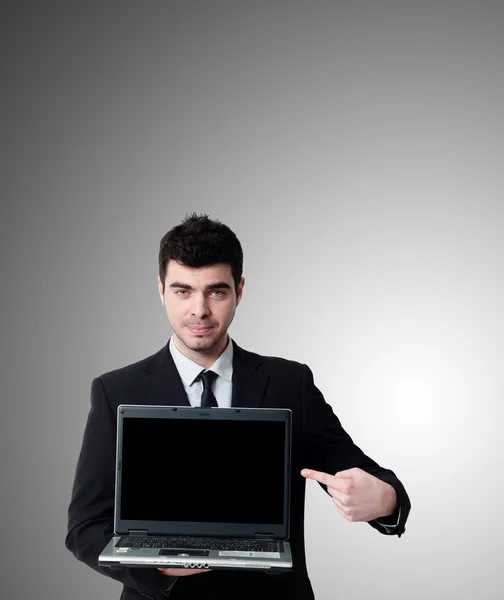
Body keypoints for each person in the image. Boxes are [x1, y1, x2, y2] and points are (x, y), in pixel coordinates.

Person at [65, 213, 411, 600]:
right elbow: (84, 527)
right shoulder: (116, 390)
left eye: (216, 291)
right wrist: (155, 568)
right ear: (160, 289)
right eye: (182, 291)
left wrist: (387, 500)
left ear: (239, 290)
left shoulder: (288, 385)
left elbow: (367, 475)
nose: (199, 310)